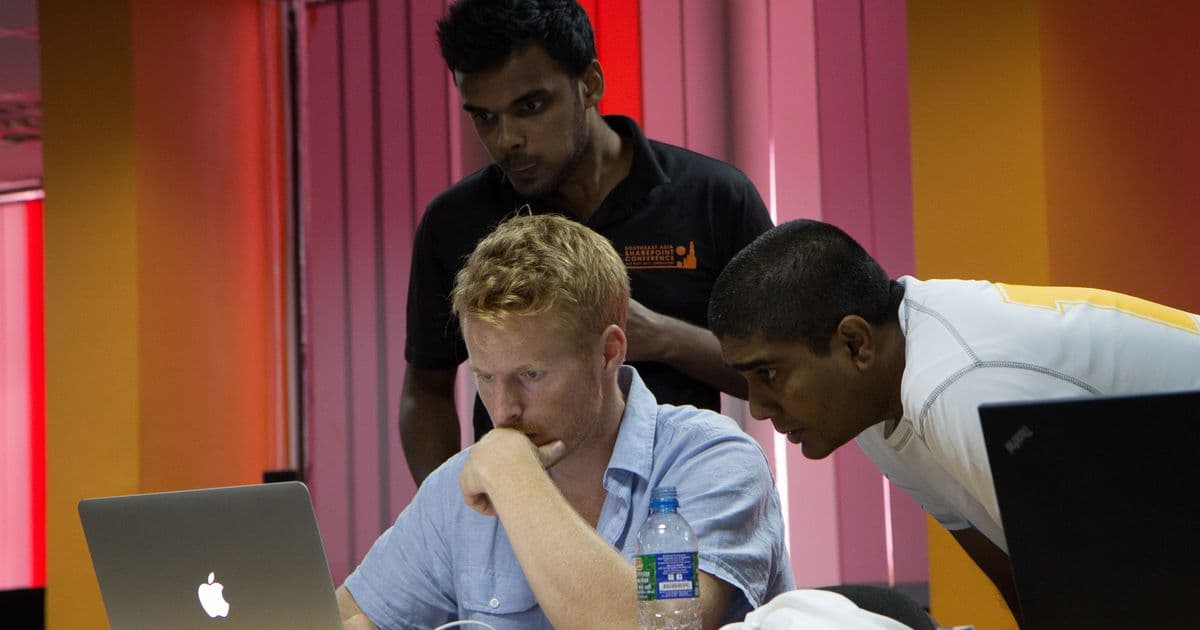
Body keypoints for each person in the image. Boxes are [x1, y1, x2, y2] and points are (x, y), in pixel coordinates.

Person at [708, 218, 1200, 616]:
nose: (756, 406)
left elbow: (1119, 593)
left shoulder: (956, 387)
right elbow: (1018, 571)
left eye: (768, 372)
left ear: (854, 343)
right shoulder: (881, 398)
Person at [339, 214, 793, 629]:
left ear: (608, 352)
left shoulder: (712, 460)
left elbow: (646, 627)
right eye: (486, 378)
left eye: (530, 375)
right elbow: (340, 617)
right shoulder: (457, 488)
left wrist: (513, 476)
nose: (503, 410)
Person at [401, 0, 774, 484]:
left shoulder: (712, 197)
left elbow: (778, 372)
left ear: (590, 84)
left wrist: (664, 338)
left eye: (530, 106)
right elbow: (425, 392)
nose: (507, 139)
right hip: (529, 522)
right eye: (485, 117)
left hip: (676, 510)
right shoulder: (455, 222)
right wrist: (454, 516)